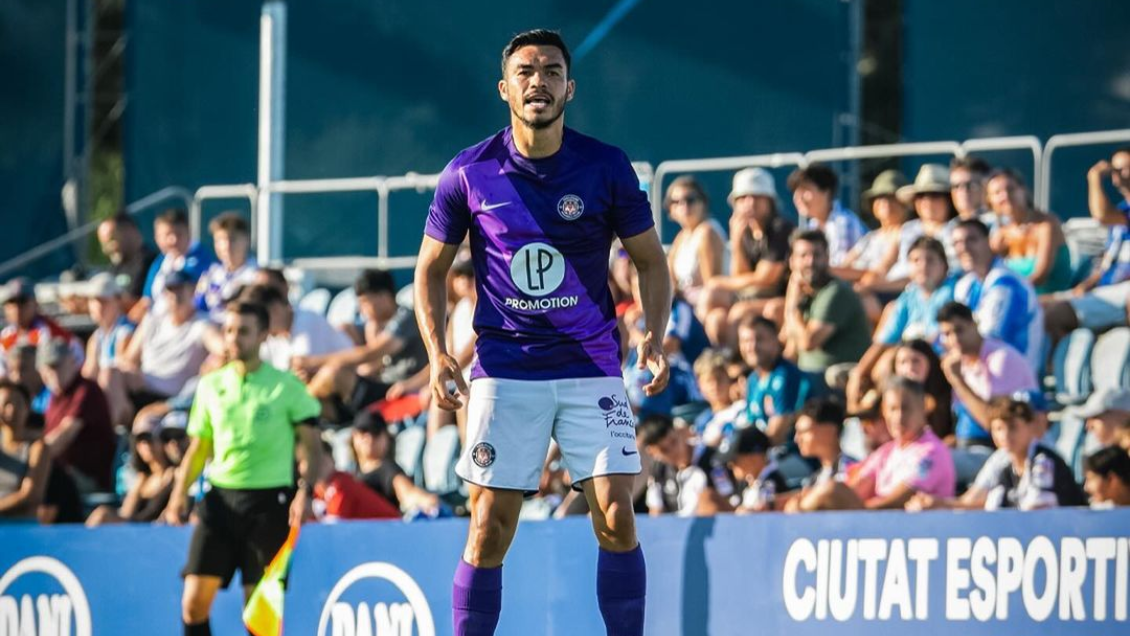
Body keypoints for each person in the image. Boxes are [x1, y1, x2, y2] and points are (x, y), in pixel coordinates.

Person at [412, 30, 668, 636]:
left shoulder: (605, 166)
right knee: (489, 527)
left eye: (552, 71)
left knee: (616, 514)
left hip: (590, 367)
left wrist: (651, 333)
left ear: (569, 88)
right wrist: (436, 353)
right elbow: (429, 267)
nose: (539, 82)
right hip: (506, 370)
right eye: (526, 72)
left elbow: (652, 261)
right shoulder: (468, 172)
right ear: (505, 88)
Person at [162, 300, 324, 636]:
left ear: (263, 335)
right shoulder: (209, 385)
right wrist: (178, 494)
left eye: (244, 331)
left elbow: (312, 447)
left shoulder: (286, 386)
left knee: (260, 616)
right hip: (219, 501)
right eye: (229, 330)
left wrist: (304, 492)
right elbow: (199, 448)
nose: (234, 338)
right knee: (193, 604)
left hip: (269, 504)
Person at [299, 269, 428, 423]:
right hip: (380, 387)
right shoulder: (374, 324)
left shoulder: (406, 319)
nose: (361, 310)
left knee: (335, 373)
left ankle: (297, 408)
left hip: (399, 389)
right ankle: (312, 418)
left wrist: (313, 362)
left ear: (384, 297)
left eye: (365, 302)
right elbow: (367, 361)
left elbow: (369, 354)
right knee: (314, 378)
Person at [848, 236, 954, 415]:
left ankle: (878, 410)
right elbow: (884, 340)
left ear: (944, 266)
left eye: (930, 260)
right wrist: (858, 372)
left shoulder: (952, 291)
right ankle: (867, 413)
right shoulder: (910, 295)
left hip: (940, 363)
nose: (923, 266)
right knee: (881, 362)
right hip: (910, 361)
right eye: (916, 260)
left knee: (890, 361)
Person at [1043, 148, 1130, 343]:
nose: (1117, 175)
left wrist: (1094, 178)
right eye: (1115, 170)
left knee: (1057, 313)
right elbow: (1109, 262)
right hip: (1104, 290)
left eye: (1124, 168)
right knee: (1039, 307)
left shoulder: (1118, 216)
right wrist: (1086, 284)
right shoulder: (1122, 213)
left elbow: (1101, 214)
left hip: (1124, 293)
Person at [699, 168, 792, 347]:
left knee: (739, 311)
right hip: (754, 295)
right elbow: (740, 273)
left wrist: (720, 282)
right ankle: (710, 359)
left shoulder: (781, 228)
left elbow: (766, 279)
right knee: (714, 313)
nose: (749, 203)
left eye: (756, 196)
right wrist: (735, 240)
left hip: (782, 298)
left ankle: (733, 362)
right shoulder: (745, 230)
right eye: (742, 198)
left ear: (769, 201)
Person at [938, 301, 1038, 447]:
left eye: (959, 330)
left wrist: (957, 380)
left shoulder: (1002, 358)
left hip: (1004, 447)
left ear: (974, 324)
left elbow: (991, 423)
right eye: (947, 334)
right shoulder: (960, 363)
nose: (954, 339)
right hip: (970, 446)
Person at [952, 218, 1044, 369]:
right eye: (957, 243)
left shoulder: (1006, 282)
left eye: (972, 240)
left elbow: (986, 340)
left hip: (1014, 384)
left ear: (989, 242)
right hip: (980, 374)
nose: (964, 248)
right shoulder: (965, 284)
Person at [849, 377, 956, 509]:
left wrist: (858, 511)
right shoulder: (886, 451)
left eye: (906, 409)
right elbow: (856, 491)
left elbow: (899, 501)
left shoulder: (933, 452)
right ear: (884, 411)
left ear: (923, 408)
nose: (899, 417)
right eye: (893, 409)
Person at [116, 270, 213, 406]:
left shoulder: (202, 326)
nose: (175, 295)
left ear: (192, 291)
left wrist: (210, 365)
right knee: (110, 373)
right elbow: (128, 360)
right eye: (170, 289)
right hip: (143, 387)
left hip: (171, 397)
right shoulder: (151, 321)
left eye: (180, 289)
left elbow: (224, 351)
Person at [781, 229, 870, 375]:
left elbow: (808, 342)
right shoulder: (805, 295)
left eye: (817, 255)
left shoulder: (836, 292)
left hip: (835, 380)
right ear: (792, 261)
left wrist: (792, 307)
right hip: (809, 377)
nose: (810, 262)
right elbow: (788, 342)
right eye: (803, 256)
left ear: (827, 257)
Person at [39, 337, 116, 494]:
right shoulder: (53, 397)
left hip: (87, 479)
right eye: (49, 367)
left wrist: (31, 460)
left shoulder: (86, 390)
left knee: (39, 482)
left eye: (58, 365)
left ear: (71, 362)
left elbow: (64, 436)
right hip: (63, 474)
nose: (54, 372)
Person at [981, 397, 1086, 510]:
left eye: (1013, 427)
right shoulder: (1005, 469)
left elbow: (1038, 513)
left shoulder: (1044, 461)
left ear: (1031, 426)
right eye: (998, 429)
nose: (1005, 436)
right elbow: (994, 509)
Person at [85, 410, 177, 526]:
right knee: (101, 513)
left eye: (150, 439)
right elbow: (126, 513)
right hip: (136, 530)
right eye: (140, 441)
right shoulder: (143, 478)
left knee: (102, 514)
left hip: (154, 531)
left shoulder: (172, 474)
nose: (146, 446)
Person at [988, 169, 1073, 294]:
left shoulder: (1047, 224)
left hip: (1052, 301)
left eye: (1010, 189)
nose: (1005, 196)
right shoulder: (1000, 236)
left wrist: (1008, 294)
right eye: (997, 193)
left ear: (1024, 191)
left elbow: (1039, 276)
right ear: (990, 201)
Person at [238, 284, 352, 375]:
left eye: (259, 319)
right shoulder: (270, 335)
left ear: (276, 309)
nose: (258, 325)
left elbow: (303, 372)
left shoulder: (307, 320)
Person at [738, 315, 816, 444]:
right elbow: (751, 423)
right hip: (762, 453)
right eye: (746, 341)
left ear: (775, 340)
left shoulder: (786, 376)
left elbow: (777, 435)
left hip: (793, 455)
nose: (752, 347)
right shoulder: (753, 379)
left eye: (759, 339)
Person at [351, 410, 442, 513]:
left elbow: (406, 491)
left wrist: (423, 499)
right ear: (354, 437)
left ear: (386, 437)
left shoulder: (387, 468)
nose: (369, 438)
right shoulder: (353, 472)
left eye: (375, 432)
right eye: (363, 432)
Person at [638, 414, 725, 517]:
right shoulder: (658, 470)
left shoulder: (710, 458)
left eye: (674, 442)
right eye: (664, 450)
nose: (674, 451)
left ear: (679, 432)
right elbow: (656, 511)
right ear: (652, 453)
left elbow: (726, 499)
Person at [782, 397, 858, 512]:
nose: (797, 439)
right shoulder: (816, 477)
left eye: (804, 431)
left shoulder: (852, 468)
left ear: (830, 430)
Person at [80, 273, 136, 428]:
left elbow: (121, 373)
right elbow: (88, 375)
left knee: (109, 374)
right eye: (93, 301)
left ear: (117, 301)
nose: (97, 307)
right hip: (104, 400)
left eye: (103, 301)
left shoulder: (126, 332)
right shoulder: (96, 338)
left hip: (125, 401)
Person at [138, 208, 214, 319]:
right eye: (167, 235)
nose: (173, 240)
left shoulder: (201, 259)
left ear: (189, 233)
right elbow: (146, 300)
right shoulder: (159, 262)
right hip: (157, 324)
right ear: (157, 238)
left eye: (179, 234)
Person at [840, 169, 911, 289]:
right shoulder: (869, 237)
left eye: (891, 197)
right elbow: (845, 265)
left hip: (883, 291)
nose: (885, 203)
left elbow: (881, 271)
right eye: (879, 198)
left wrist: (861, 285)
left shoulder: (907, 232)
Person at [664, 176, 726, 307]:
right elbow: (670, 280)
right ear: (670, 209)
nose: (684, 206)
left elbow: (712, 286)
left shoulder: (707, 232)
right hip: (685, 304)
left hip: (704, 306)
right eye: (676, 201)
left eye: (690, 200)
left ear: (703, 203)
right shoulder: (681, 237)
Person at [787, 164, 866, 267]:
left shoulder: (844, 223)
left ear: (826, 192)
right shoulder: (812, 226)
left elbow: (840, 269)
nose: (798, 197)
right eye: (795, 191)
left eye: (805, 190)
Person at [0, 278, 84, 370]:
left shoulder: (48, 331)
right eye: (11, 303)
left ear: (35, 304)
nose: (17, 309)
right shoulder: (7, 334)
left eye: (22, 302)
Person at [0, 380, 51, 520]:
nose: (11, 410)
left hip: (21, 530)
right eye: (6, 403)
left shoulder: (38, 447)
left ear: (28, 408)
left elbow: (31, 495)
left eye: (18, 404)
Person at [195, 212, 259, 322]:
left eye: (232, 239)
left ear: (247, 240)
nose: (226, 246)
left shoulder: (256, 275)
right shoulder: (211, 273)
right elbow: (198, 306)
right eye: (220, 240)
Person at [896, 164, 958, 269]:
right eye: (920, 196)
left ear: (949, 200)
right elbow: (904, 266)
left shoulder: (959, 229)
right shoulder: (908, 229)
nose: (927, 202)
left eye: (934, 195)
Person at [717, 425, 787, 513]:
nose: (730, 465)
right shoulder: (745, 483)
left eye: (735, 460)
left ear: (755, 456)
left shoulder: (772, 481)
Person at [97, 212, 158, 310]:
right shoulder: (114, 267)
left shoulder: (151, 263)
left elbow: (143, 303)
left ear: (129, 231)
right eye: (103, 244)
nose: (106, 249)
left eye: (111, 240)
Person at [691, 349, 744, 447]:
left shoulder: (742, 407)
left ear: (729, 378)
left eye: (719, 378)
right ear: (699, 386)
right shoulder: (702, 422)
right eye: (708, 381)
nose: (715, 386)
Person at [949, 156, 1000, 230]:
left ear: (986, 187)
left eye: (970, 185)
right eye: (956, 186)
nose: (963, 191)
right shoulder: (950, 227)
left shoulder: (998, 224)